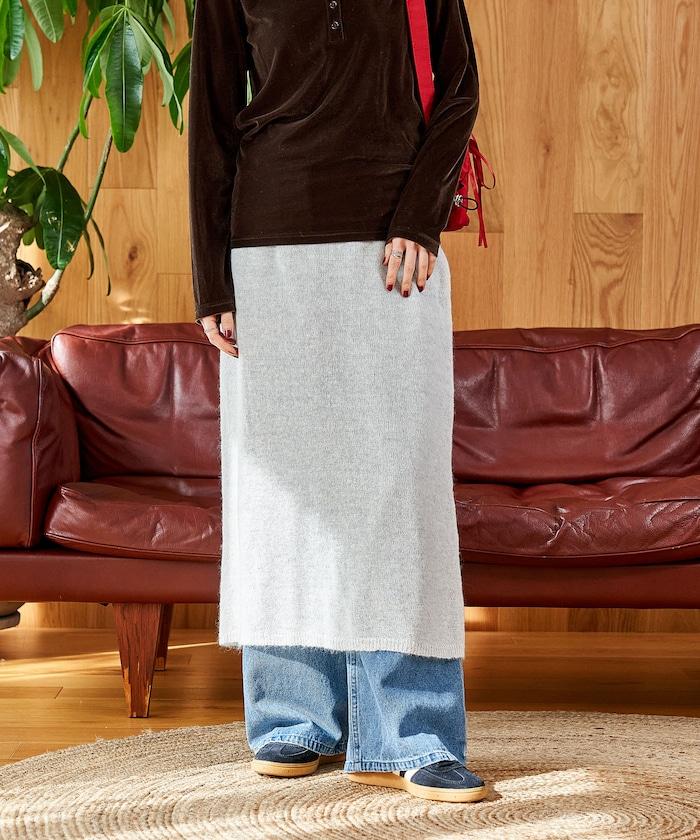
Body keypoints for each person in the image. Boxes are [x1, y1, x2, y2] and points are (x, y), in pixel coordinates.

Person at [187, 0, 487, 804]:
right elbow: (211, 115)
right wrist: (211, 279)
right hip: (268, 246)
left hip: (394, 249)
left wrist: (421, 217)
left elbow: (459, 86)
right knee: (283, 499)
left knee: (401, 497)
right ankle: (293, 715)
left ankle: (413, 730)